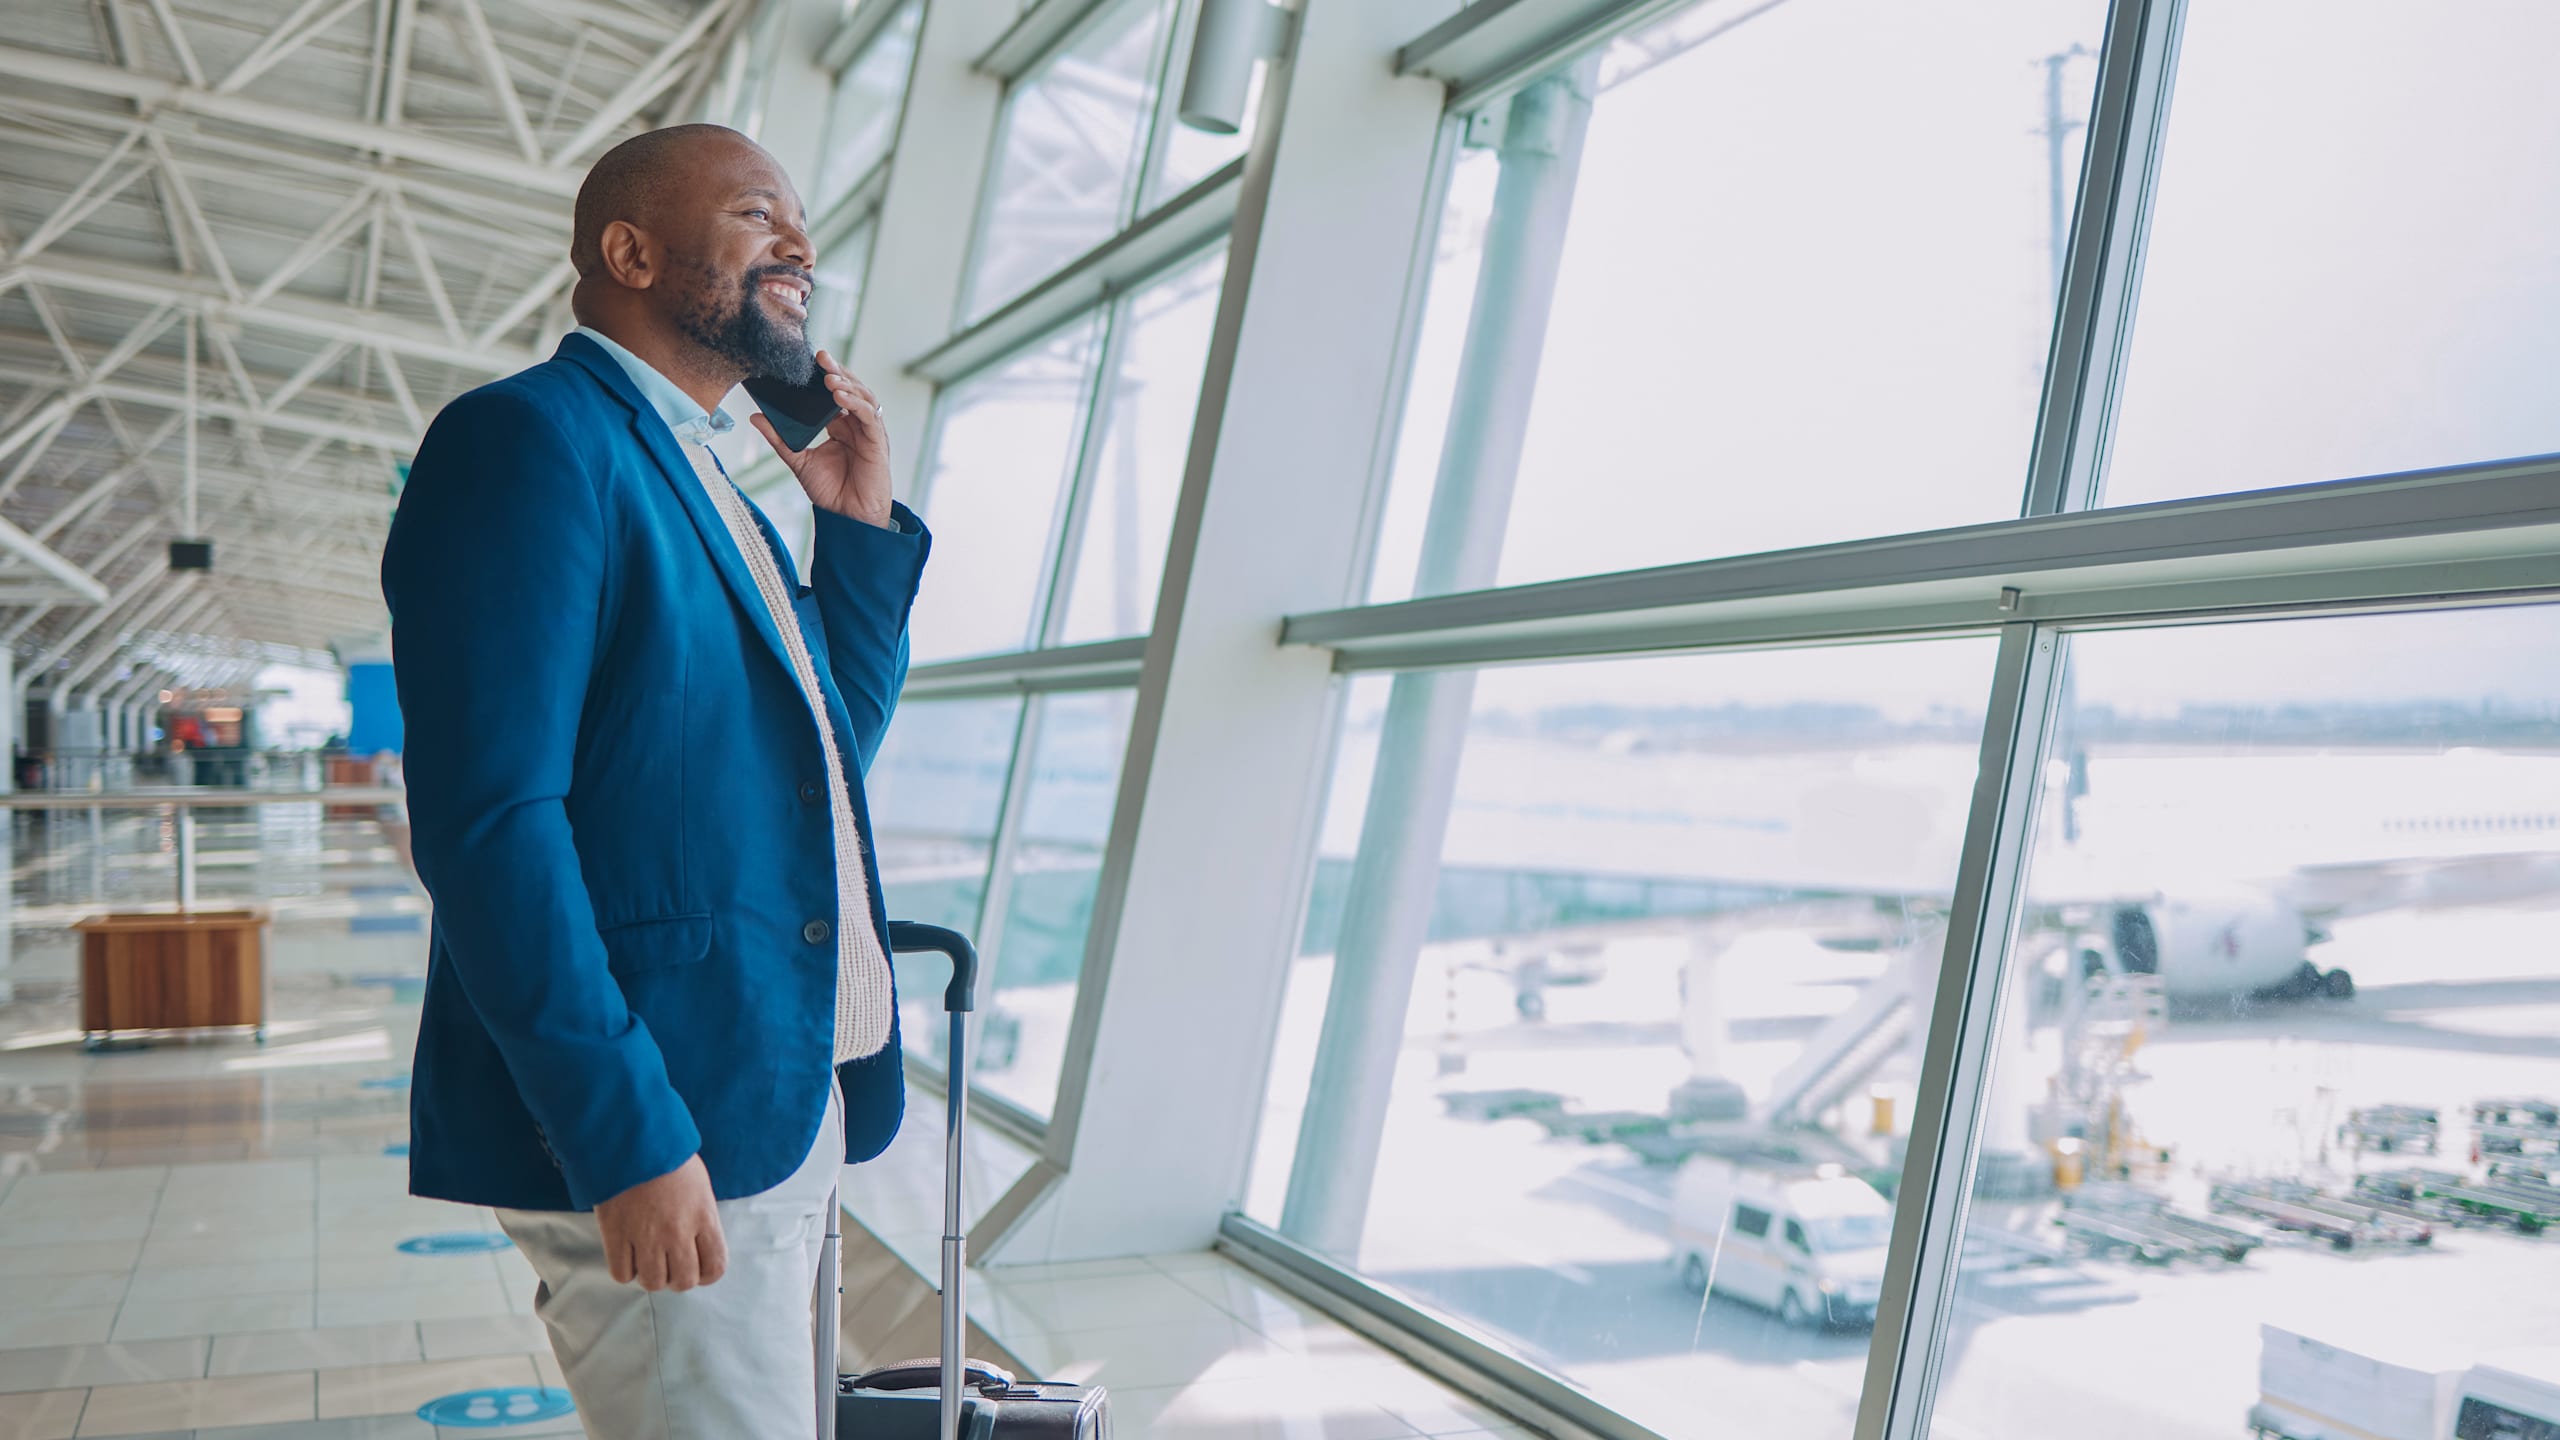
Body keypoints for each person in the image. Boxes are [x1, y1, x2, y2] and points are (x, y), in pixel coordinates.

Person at [381, 124, 928, 1438]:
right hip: (666, 1106)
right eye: (756, 215)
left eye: (799, 220)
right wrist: (624, 1132)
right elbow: (491, 826)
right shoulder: (528, 442)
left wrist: (851, 532)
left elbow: (816, 757)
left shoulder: (709, 474)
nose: (797, 244)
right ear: (629, 252)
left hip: (776, 1091)